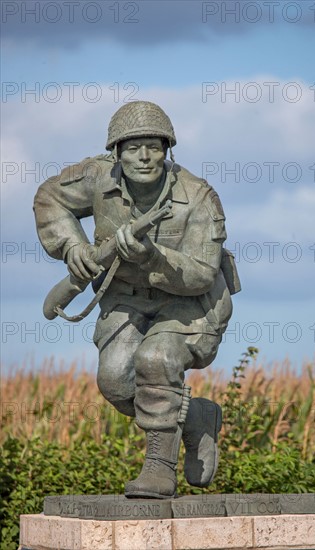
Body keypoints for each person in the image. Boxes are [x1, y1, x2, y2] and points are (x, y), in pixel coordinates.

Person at [34, 101, 240, 498]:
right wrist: (73, 246)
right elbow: (49, 199)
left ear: (167, 150)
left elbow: (201, 273)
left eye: (153, 147)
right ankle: (195, 415)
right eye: (132, 148)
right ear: (116, 153)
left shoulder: (198, 197)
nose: (143, 157)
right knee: (114, 379)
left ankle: (159, 469)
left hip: (191, 303)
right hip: (124, 297)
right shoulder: (97, 176)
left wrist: (151, 256)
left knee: (156, 359)